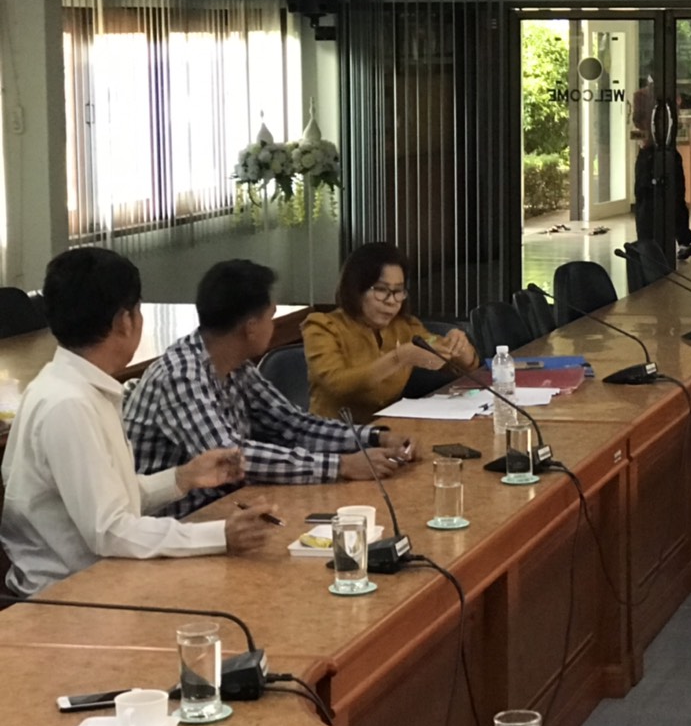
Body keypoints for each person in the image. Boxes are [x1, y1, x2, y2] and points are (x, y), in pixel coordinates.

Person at [0, 248, 276, 595]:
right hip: (69, 595)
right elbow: (109, 531)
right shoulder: (68, 405)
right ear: (125, 321)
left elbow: (112, 499)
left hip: (100, 578)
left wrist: (182, 477)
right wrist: (219, 534)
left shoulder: (74, 386)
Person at [125, 259, 415, 517]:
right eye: (271, 316)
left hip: (223, 509)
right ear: (251, 327)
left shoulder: (235, 365)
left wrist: (374, 437)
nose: (273, 326)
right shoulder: (182, 376)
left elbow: (292, 424)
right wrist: (342, 465)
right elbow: (231, 458)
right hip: (174, 525)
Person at [301, 242, 478, 422]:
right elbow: (337, 385)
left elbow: (444, 355)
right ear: (356, 289)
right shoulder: (322, 326)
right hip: (332, 432)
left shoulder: (404, 326)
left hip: (388, 430)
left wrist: (460, 349)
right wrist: (399, 358)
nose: (392, 301)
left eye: (398, 291)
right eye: (381, 290)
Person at [632, 79, 691, 261]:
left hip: (657, 148)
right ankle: (663, 240)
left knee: (666, 195)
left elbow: (637, 120)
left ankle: (661, 240)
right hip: (658, 148)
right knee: (667, 195)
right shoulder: (661, 97)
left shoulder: (657, 97)